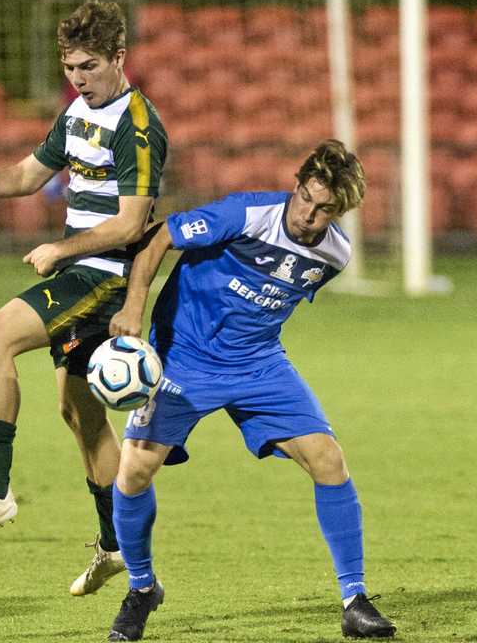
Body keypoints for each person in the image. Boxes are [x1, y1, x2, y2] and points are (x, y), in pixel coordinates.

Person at [102, 140, 397, 641]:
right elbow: (156, 239)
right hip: (184, 358)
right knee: (132, 472)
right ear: (297, 185)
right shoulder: (244, 213)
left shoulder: (335, 254)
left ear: (341, 210)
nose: (308, 213)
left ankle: (355, 599)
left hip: (259, 364)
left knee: (328, 460)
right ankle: (141, 588)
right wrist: (135, 309)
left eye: (324, 208)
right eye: (306, 197)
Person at [0, 0, 168, 596]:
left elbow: (133, 223)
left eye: (88, 66)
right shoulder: (76, 113)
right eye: (69, 68)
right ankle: (117, 548)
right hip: (81, 267)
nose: (78, 79)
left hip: (104, 275)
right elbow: (29, 174)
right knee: (80, 412)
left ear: (119, 56)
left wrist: (62, 251)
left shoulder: (137, 126)